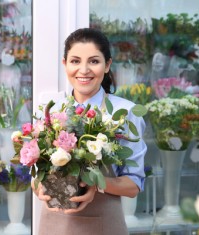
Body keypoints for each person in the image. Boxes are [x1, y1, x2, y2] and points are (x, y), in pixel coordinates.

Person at [32, 28, 147, 235]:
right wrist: (38, 186)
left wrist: (96, 185)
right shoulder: (51, 111)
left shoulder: (125, 113)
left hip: (102, 224)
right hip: (53, 223)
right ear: (64, 64)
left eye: (93, 61)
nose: (83, 70)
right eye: (75, 61)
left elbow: (133, 185)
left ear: (107, 65)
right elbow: (36, 172)